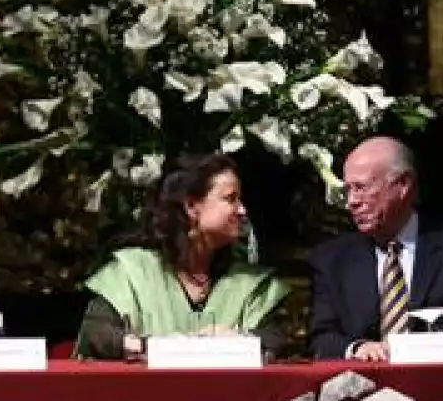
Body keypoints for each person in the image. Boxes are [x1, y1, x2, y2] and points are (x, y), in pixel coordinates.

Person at [75, 154, 290, 361]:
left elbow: (275, 340)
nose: (242, 210)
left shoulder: (251, 285)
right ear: (191, 206)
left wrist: (239, 340)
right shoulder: (131, 272)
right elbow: (97, 335)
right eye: (230, 199)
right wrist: (157, 347)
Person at [307, 136, 443, 361]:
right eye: (348, 190)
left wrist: (420, 350)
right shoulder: (332, 259)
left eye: (361, 188)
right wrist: (357, 348)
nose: (351, 202)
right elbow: (321, 338)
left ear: (403, 184)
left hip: (440, 381)